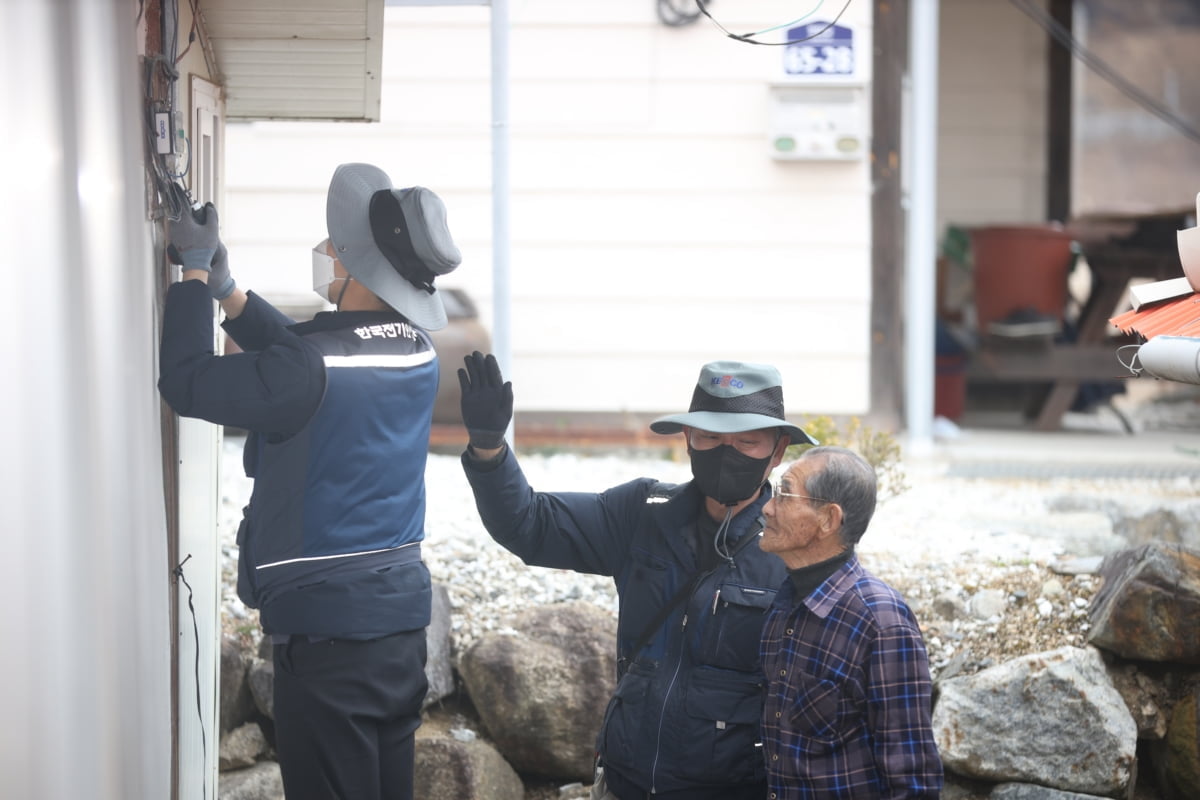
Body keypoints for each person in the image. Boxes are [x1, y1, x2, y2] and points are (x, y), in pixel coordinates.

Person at [157, 163, 462, 800]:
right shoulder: (416, 350)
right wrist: (229, 293)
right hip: (400, 631)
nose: (325, 254)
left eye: (334, 247)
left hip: (330, 647)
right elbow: (304, 361)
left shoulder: (310, 368)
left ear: (354, 267)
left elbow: (187, 382)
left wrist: (190, 276)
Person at [456, 356, 817, 800]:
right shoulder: (642, 512)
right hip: (626, 778)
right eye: (709, 437)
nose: (727, 452)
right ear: (686, 438)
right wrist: (489, 449)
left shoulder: (795, 546)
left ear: (778, 451)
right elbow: (529, 525)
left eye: (747, 442)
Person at [758, 446, 943, 799]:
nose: (767, 507)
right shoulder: (783, 603)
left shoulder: (882, 622)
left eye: (784, 494)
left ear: (828, 519)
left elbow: (913, 781)